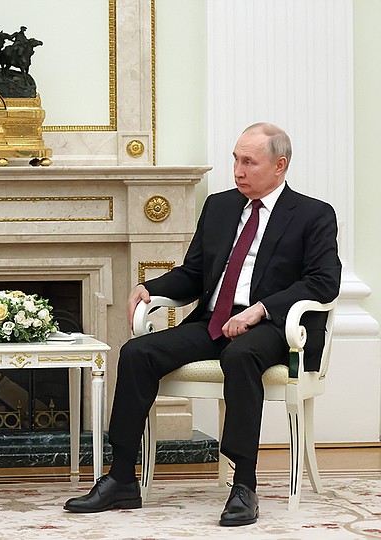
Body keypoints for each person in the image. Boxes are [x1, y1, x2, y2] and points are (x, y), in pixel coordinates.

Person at [64, 123, 341, 526]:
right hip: (215, 321)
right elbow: (195, 273)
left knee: (242, 355)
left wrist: (260, 309)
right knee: (137, 352)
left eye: (249, 162)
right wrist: (149, 288)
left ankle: (244, 484)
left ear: (280, 166)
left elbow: (322, 282)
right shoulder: (220, 206)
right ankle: (122, 476)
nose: (238, 170)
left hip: (274, 328)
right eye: (235, 159)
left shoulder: (313, 214)